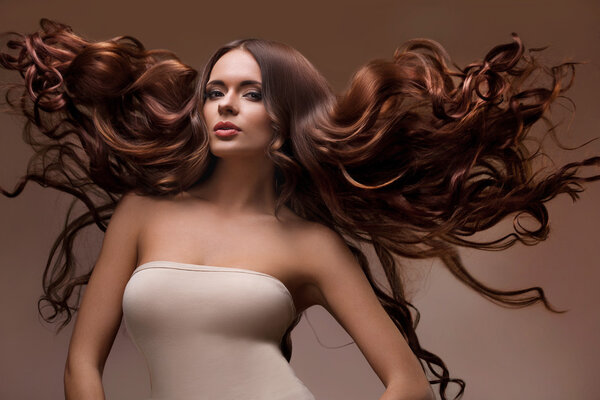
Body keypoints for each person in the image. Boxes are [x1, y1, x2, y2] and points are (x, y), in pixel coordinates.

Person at [1, 18, 598, 400]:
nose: (226, 106)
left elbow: (407, 385)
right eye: (215, 92)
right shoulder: (143, 213)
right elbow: (82, 363)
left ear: (284, 119)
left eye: (251, 93)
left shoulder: (310, 245)